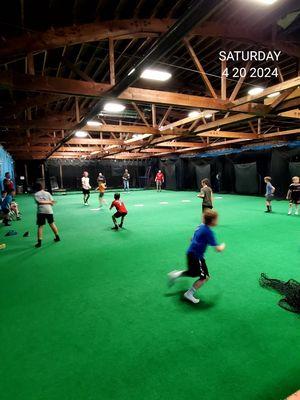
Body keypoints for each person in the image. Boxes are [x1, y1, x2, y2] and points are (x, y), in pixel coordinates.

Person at [168, 210, 225, 304]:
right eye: (216, 219)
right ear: (212, 221)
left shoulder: (200, 226)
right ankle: (189, 294)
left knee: (192, 273)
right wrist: (223, 246)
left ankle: (176, 274)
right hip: (197, 256)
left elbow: (191, 238)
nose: (217, 221)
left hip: (190, 253)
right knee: (205, 277)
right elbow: (218, 249)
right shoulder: (209, 232)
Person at [34, 182, 60, 248]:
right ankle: (57, 237)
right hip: (49, 211)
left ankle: (39, 242)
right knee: (52, 224)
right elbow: (52, 203)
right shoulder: (48, 193)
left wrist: (48, 202)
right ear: (41, 187)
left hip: (41, 212)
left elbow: (39, 202)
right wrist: (49, 202)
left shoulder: (35, 194)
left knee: (40, 226)